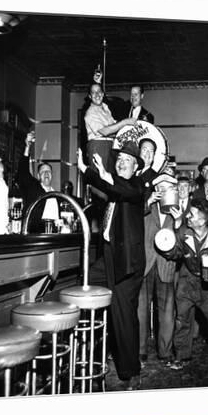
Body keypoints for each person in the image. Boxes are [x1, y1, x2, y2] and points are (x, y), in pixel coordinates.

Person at [77, 143, 146, 390]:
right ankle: (85, 350)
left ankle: (132, 371)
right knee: (82, 285)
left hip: (127, 262)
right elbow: (109, 186)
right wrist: (86, 169)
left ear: (137, 167)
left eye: (128, 160)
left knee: (123, 318)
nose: (121, 162)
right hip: (108, 257)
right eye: (120, 159)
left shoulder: (138, 186)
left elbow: (123, 189)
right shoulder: (115, 188)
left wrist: (102, 174)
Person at [163, 198, 208, 371]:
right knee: (182, 320)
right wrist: (168, 249)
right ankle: (180, 356)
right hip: (188, 280)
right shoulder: (184, 232)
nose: (188, 216)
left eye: (192, 214)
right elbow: (177, 252)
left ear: (202, 221)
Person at [140, 173, 180, 365]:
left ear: (174, 190)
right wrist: (147, 202)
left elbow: (182, 241)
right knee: (141, 309)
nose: (164, 192)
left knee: (167, 311)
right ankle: (140, 350)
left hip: (166, 265)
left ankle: (165, 351)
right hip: (146, 264)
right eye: (161, 189)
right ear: (156, 191)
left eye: (168, 188)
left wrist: (179, 222)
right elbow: (131, 221)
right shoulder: (147, 207)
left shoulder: (178, 212)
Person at [84, 83, 136, 173]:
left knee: (110, 179)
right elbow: (104, 131)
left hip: (110, 145)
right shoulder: (90, 112)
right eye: (93, 92)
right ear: (89, 96)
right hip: (98, 146)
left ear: (103, 94)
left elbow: (113, 126)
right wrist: (125, 122)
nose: (97, 95)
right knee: (100, 180)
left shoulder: (105, 107)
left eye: (99, 91)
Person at [17, 131, 58, 232]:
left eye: (48, 171)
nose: (46, 173)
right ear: (38, 176)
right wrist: (27, 147)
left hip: (55, 236)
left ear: (52, 175)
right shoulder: (34, 188)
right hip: (37, 235)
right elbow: (23, 173)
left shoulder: (56, 194)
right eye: (43, 172)